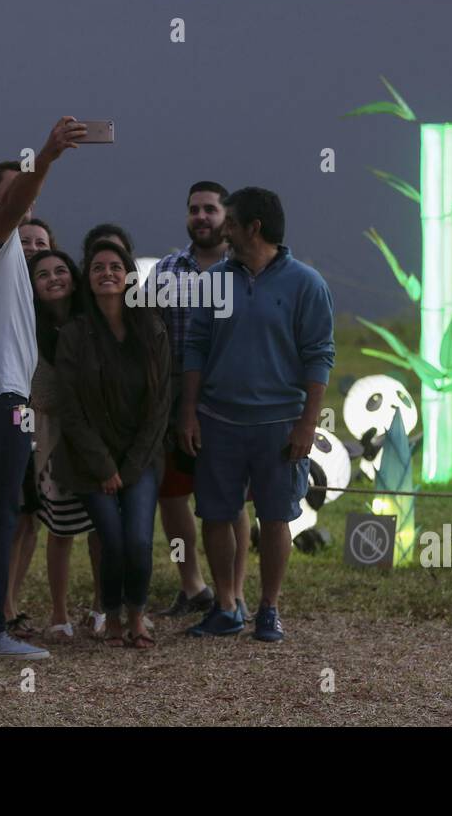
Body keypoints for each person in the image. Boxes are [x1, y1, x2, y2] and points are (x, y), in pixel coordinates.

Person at [0, 116, 85, 660]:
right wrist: (46, 155)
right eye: (14, 186)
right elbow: (16, 203)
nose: (25, 198)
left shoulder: (1, 256)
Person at [178, 187, 335, 642]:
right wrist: (188, 413)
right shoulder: (217, 281)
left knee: (276, 517)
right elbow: (196, 348)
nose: (221, 228)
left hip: (280, 424)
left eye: (229, 221)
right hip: (218, 420)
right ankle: (226, 605)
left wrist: (308, 423)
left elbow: (319, 355)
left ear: (254, 227)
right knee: (215, 513)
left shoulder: (307, 283)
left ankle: (269, 607)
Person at [54, 239, 170, 648]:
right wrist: (104, 466)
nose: (107, 273)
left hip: (141, 458)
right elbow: (69, 408)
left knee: (139, 539)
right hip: (91, 462)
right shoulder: (74, 335)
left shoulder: (152, 329)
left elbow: (160, 407)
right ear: (89, 278)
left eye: (116, 267)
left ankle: (138, 615)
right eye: (99, 267)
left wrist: (132, 467)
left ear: (128, 277)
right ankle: (113, 615)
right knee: (112, 540)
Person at [148, 181, 252, 621]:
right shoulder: (167, 270)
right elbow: (147, 335)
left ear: (225, 216)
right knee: (171, 496)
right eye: (194, 209)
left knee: (231, 502)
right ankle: (193, 585)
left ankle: (237, 592)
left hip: (229, 401)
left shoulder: (248, 268)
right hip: (173, 402)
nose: (201, 217)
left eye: (210, 209)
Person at [27, 247, 105, 639]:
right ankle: (58, 614)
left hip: (99, 444)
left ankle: (100, 608)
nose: (54, 278)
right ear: (33, 287)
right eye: (43, 275)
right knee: (60, 530)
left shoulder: (94, 323)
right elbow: (43, 395)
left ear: (74, 279)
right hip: (55, 443)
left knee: (101, 528)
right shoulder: (29, 334)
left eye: (61, 271)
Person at [4, 214, 59, 639]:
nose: (33, 247)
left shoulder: (57, 301)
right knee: (11, 509)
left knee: (33, 513)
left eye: (41, 241)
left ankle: (12, 600)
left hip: (46, 419)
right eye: (25, 241)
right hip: (10, 411)